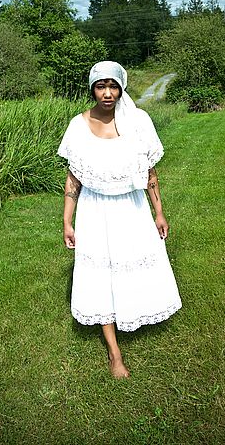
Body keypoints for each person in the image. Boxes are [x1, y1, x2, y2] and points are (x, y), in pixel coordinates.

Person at [57, 60, 181, 378]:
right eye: (101, 86)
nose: (108, 93)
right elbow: (73, 181)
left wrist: (159, 213)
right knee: (100, 274)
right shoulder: (78, 126)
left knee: (131, 265)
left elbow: (151, 174)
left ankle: (133, 311)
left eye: (113, 86)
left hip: (132, 207)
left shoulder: (138, 122)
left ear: (122, 87)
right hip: (95, 209)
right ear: (92, 89)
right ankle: (114, 354)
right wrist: (67, 222)